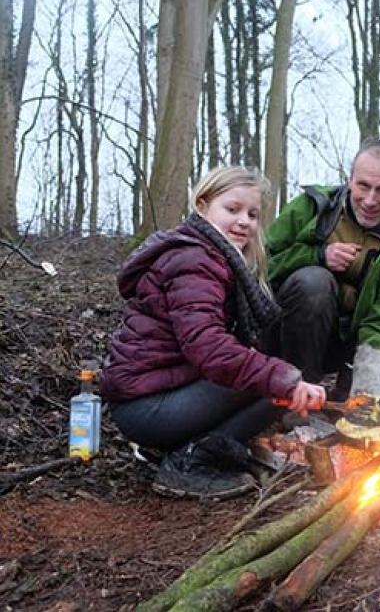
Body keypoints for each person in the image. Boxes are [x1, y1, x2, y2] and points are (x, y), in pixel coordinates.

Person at [101, 166, 326, 499]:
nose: (245, 221)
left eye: (252, 214)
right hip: (145, 407)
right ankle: (188, 463)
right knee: (270, 385)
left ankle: (181, 447)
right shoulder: (195, 260)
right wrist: (286, 379)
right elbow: (209, 349)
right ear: (203, 204)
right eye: (232, 209)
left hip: (158, 394)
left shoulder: (211, 256)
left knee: (269, 382)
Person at [265, 139, 380, 399]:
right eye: (363, 186)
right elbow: (260, 267)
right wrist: (317, 255)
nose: (370, 200)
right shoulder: (313, 207)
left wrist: (368, 382)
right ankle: (300, 393)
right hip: (290, 336)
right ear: (350, 180)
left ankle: (360, 396)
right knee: (313, 281)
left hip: (352, 341)